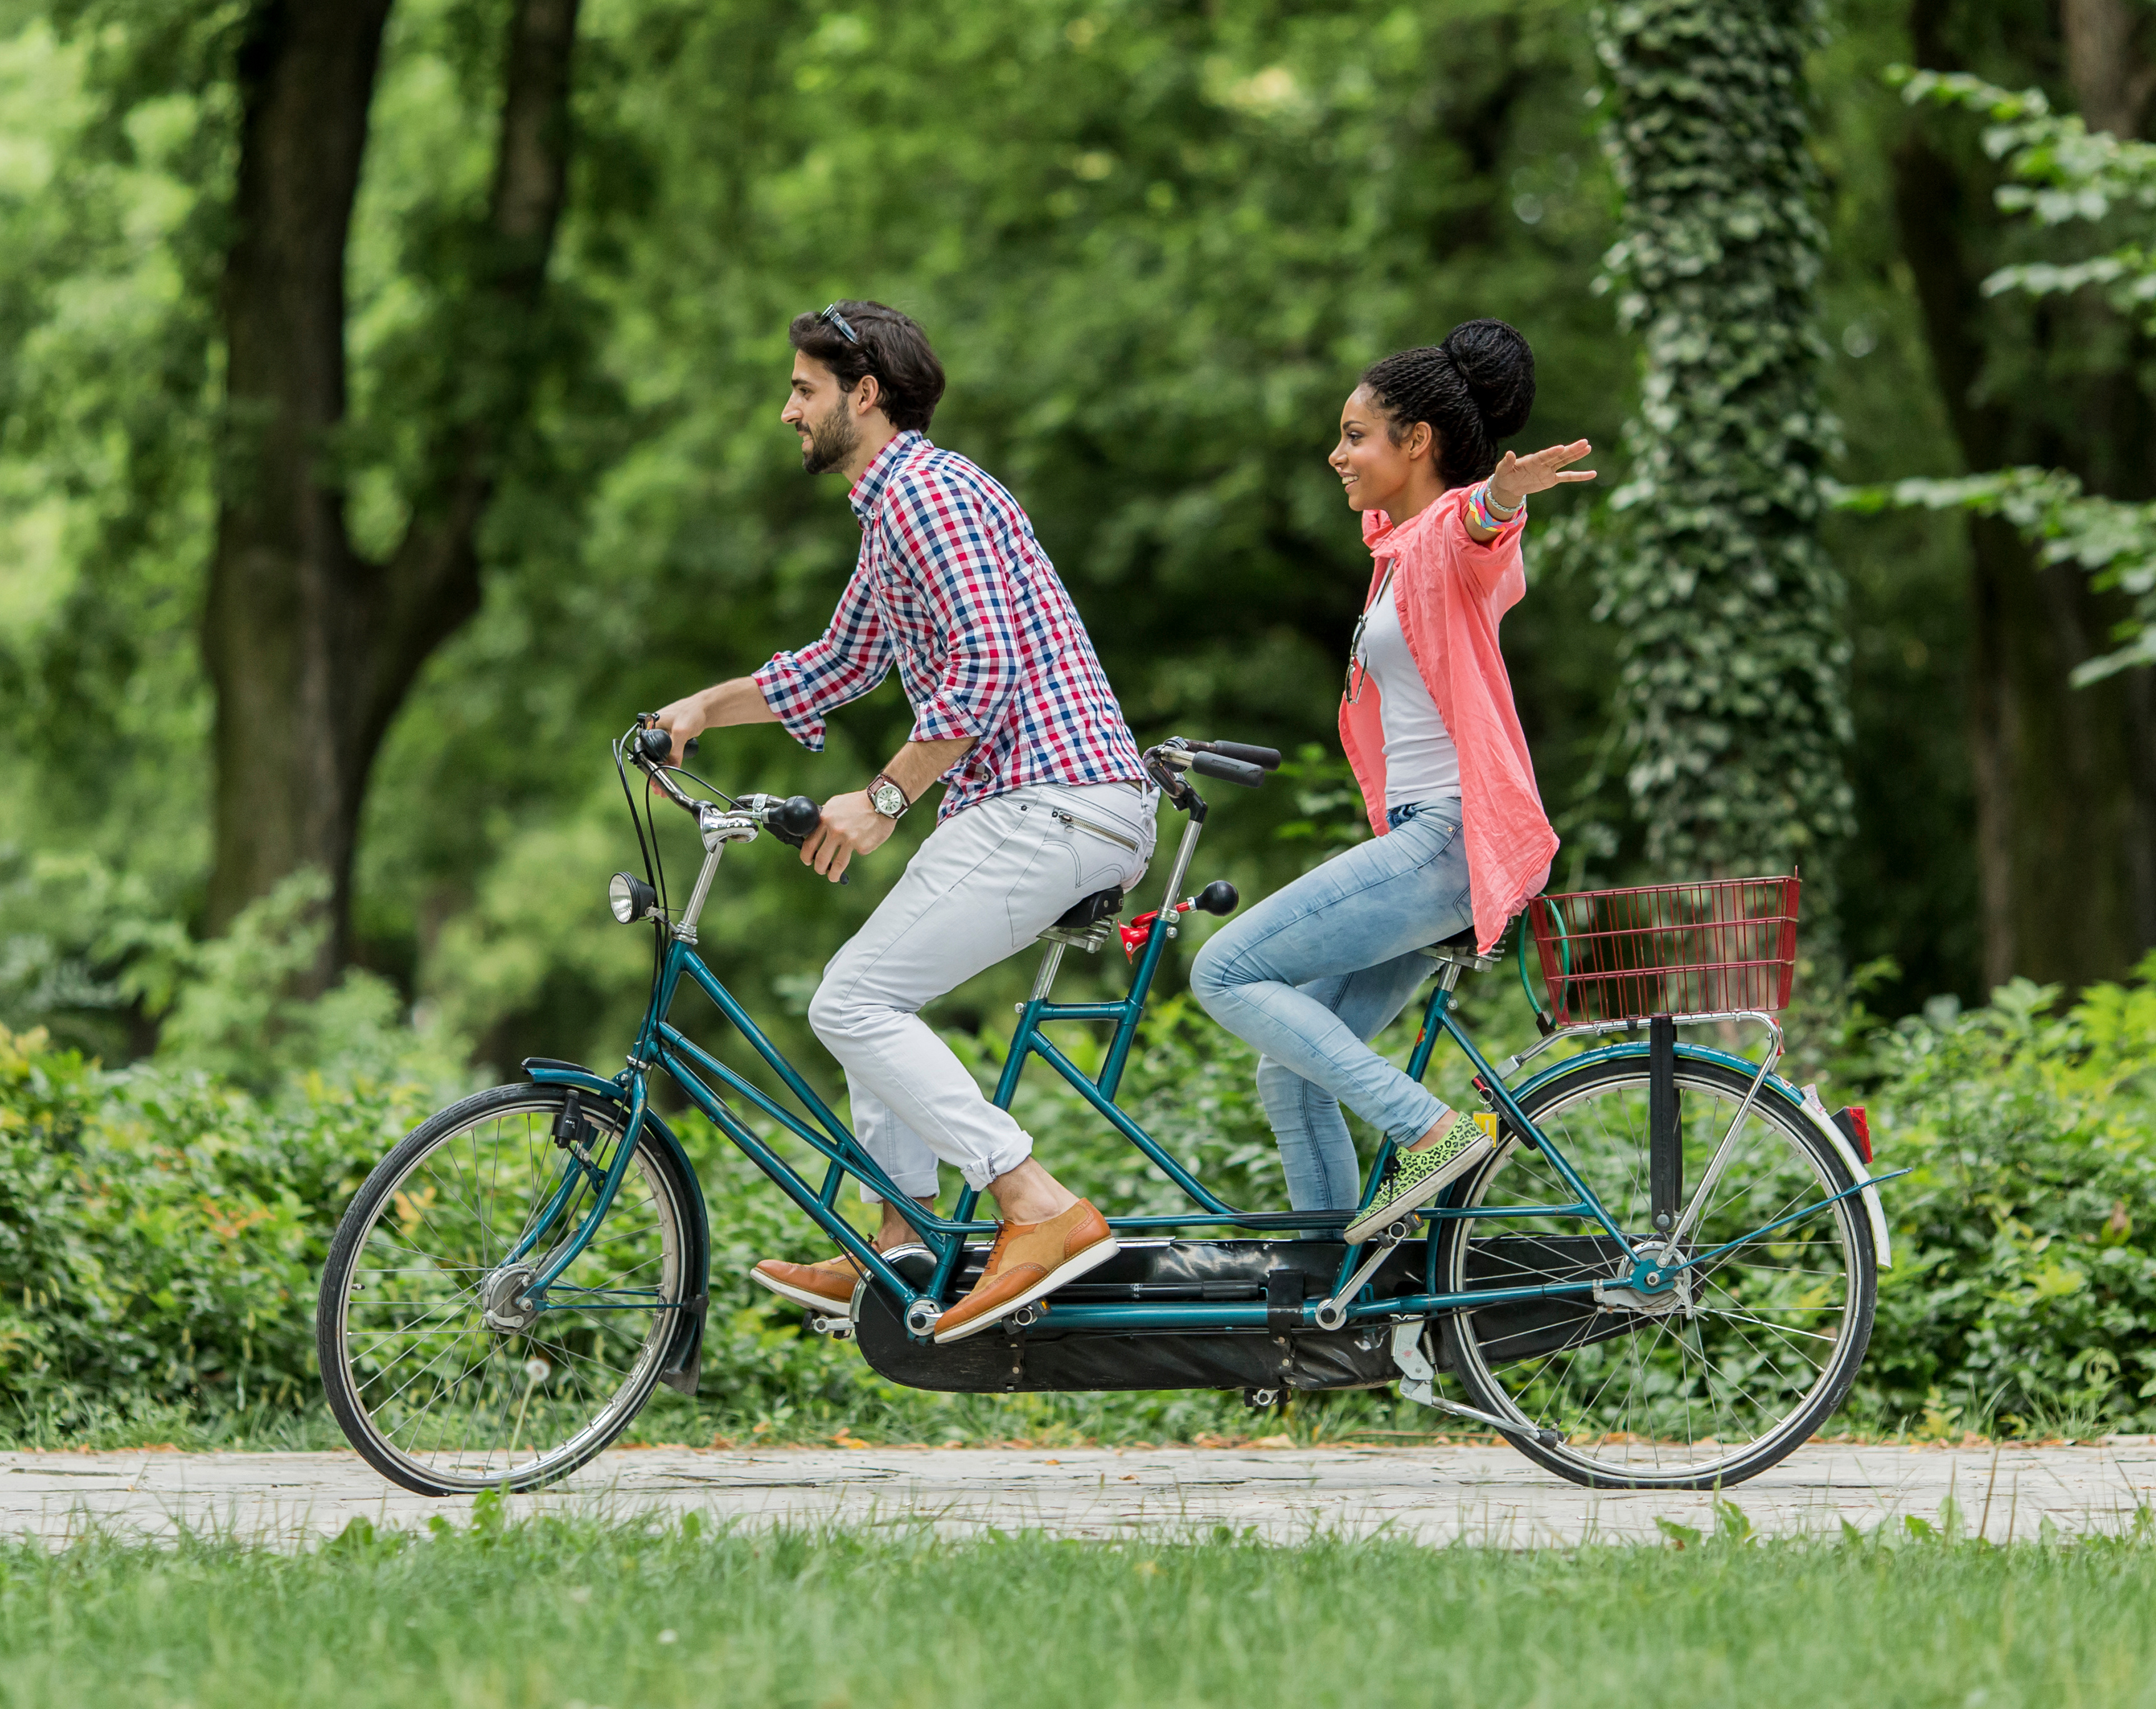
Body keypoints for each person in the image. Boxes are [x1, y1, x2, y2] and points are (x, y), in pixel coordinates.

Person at [649, 300, 1160, 1343]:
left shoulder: (926, 494)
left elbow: (984, 666)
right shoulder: (896, 510)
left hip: (1056, 796)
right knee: (867, 989)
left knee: (852, 1002)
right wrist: (703, 706)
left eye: (803, 389)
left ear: (864, 393)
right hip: (1028, 801)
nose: (786, 410)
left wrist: (883, 799)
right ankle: (900, 1240)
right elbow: (839, 662)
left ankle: (1037, 1202)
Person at [1189, 319, 1595, 1242]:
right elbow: (1417, 527)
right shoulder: (1402, 551)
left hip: (1444, 839)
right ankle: (1333, 1298)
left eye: (1356, 434)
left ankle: (1433, 1131)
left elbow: (1479, 521)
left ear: (1417, 444)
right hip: (1421, 842)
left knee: (1224, 970)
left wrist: (1496, 493)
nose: (1336, 453)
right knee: (1287, 1068)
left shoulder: (1451, 535)